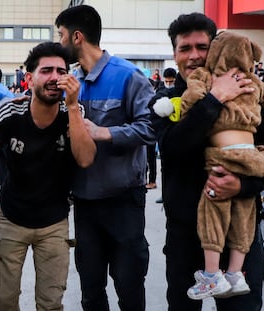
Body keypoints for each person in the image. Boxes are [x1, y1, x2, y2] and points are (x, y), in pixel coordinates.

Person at [149, 12, 264, 310]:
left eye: (202, 47)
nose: (194, 56)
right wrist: (213, 99)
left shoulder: (247, 94)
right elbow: (173, 148)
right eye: (185, 48)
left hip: (240, 238)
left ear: (216, 49)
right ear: (174, 54)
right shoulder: (166, 102)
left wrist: (242, 184)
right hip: (185, 238)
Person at [0, 41, 96, 311]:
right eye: (46, 70)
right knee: (4, 300)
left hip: (54, 224)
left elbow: (85, 158)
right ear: (29, 78)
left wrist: (71, 107)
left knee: (50, 303)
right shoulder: (11, 112)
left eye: (61, 71)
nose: (55, 78)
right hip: (12, 219)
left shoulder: (75, 113)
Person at [55, 5, 156, 310]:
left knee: (128, 285)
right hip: (85, 203)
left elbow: (150, 128)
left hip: (124, 201)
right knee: (90, 289)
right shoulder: (69, 83)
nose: (58, 43)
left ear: (77, 36)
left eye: (60, 35)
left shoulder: (129, 76)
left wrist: (104, 133)